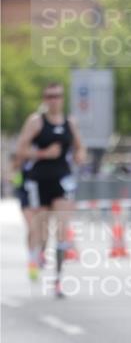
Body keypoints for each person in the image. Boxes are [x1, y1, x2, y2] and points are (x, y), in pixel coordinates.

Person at [14, 81, 86, 295]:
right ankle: (35, 257)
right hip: (38, 180)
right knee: (41, 231)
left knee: (63, 230)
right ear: (45, 99)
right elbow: (20, 150)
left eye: (57, 96)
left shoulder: (69, 122)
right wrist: (44, 154)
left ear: (62, 98)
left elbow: (80, 147)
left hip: (62, 179)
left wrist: (81, 155)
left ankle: (58, 280)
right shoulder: (36, 122)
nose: (54, 100)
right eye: (50, 96)